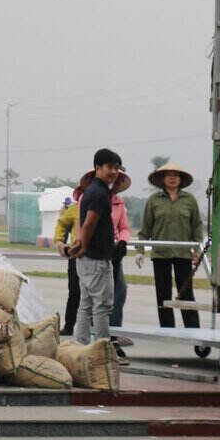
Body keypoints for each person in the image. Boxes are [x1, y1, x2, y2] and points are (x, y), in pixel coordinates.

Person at [67, 148, 123, 345]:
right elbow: (89, 223)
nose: (114, 172)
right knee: (102, 307)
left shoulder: (91, 191)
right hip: (97, 259)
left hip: (88, 259)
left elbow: (86, 223)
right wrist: (83, 246)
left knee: (86, 304)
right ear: (97, 168)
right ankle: (102, 349)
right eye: (110, 167)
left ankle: (80, 346)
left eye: (117, 168)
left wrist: (81, 246)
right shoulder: (100, 194)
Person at [140, 162, 202, 330]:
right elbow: (145, 228)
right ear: (162, 179)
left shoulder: (189, 200)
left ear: (181, 179)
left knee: (186, 293)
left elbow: (196, 226)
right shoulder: (154, 201)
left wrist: (197, 251)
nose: (173, 178)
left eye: (176, 175)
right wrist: (140, 251)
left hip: (183, 254)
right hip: (161, 254)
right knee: (163, 294)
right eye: (169, 175)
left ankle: (193, 329)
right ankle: (167, 329)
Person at [108, 170, 133, 346]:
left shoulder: (119, 203)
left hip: (115, 253)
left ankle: (115, 333)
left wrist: (123, 242)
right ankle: (99, 336)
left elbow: (124, 227)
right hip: (98, 252)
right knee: (99, 297)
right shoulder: (91, 197)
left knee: (119, 292)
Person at [54, 190, 82, 336]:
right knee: (74, 292)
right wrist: (59, 241)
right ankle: (69, 325)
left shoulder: (103, 204)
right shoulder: (75, 208)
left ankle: (91, 327)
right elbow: (62, 224)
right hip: (76, 255)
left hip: (96, 255)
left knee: (93, 295)